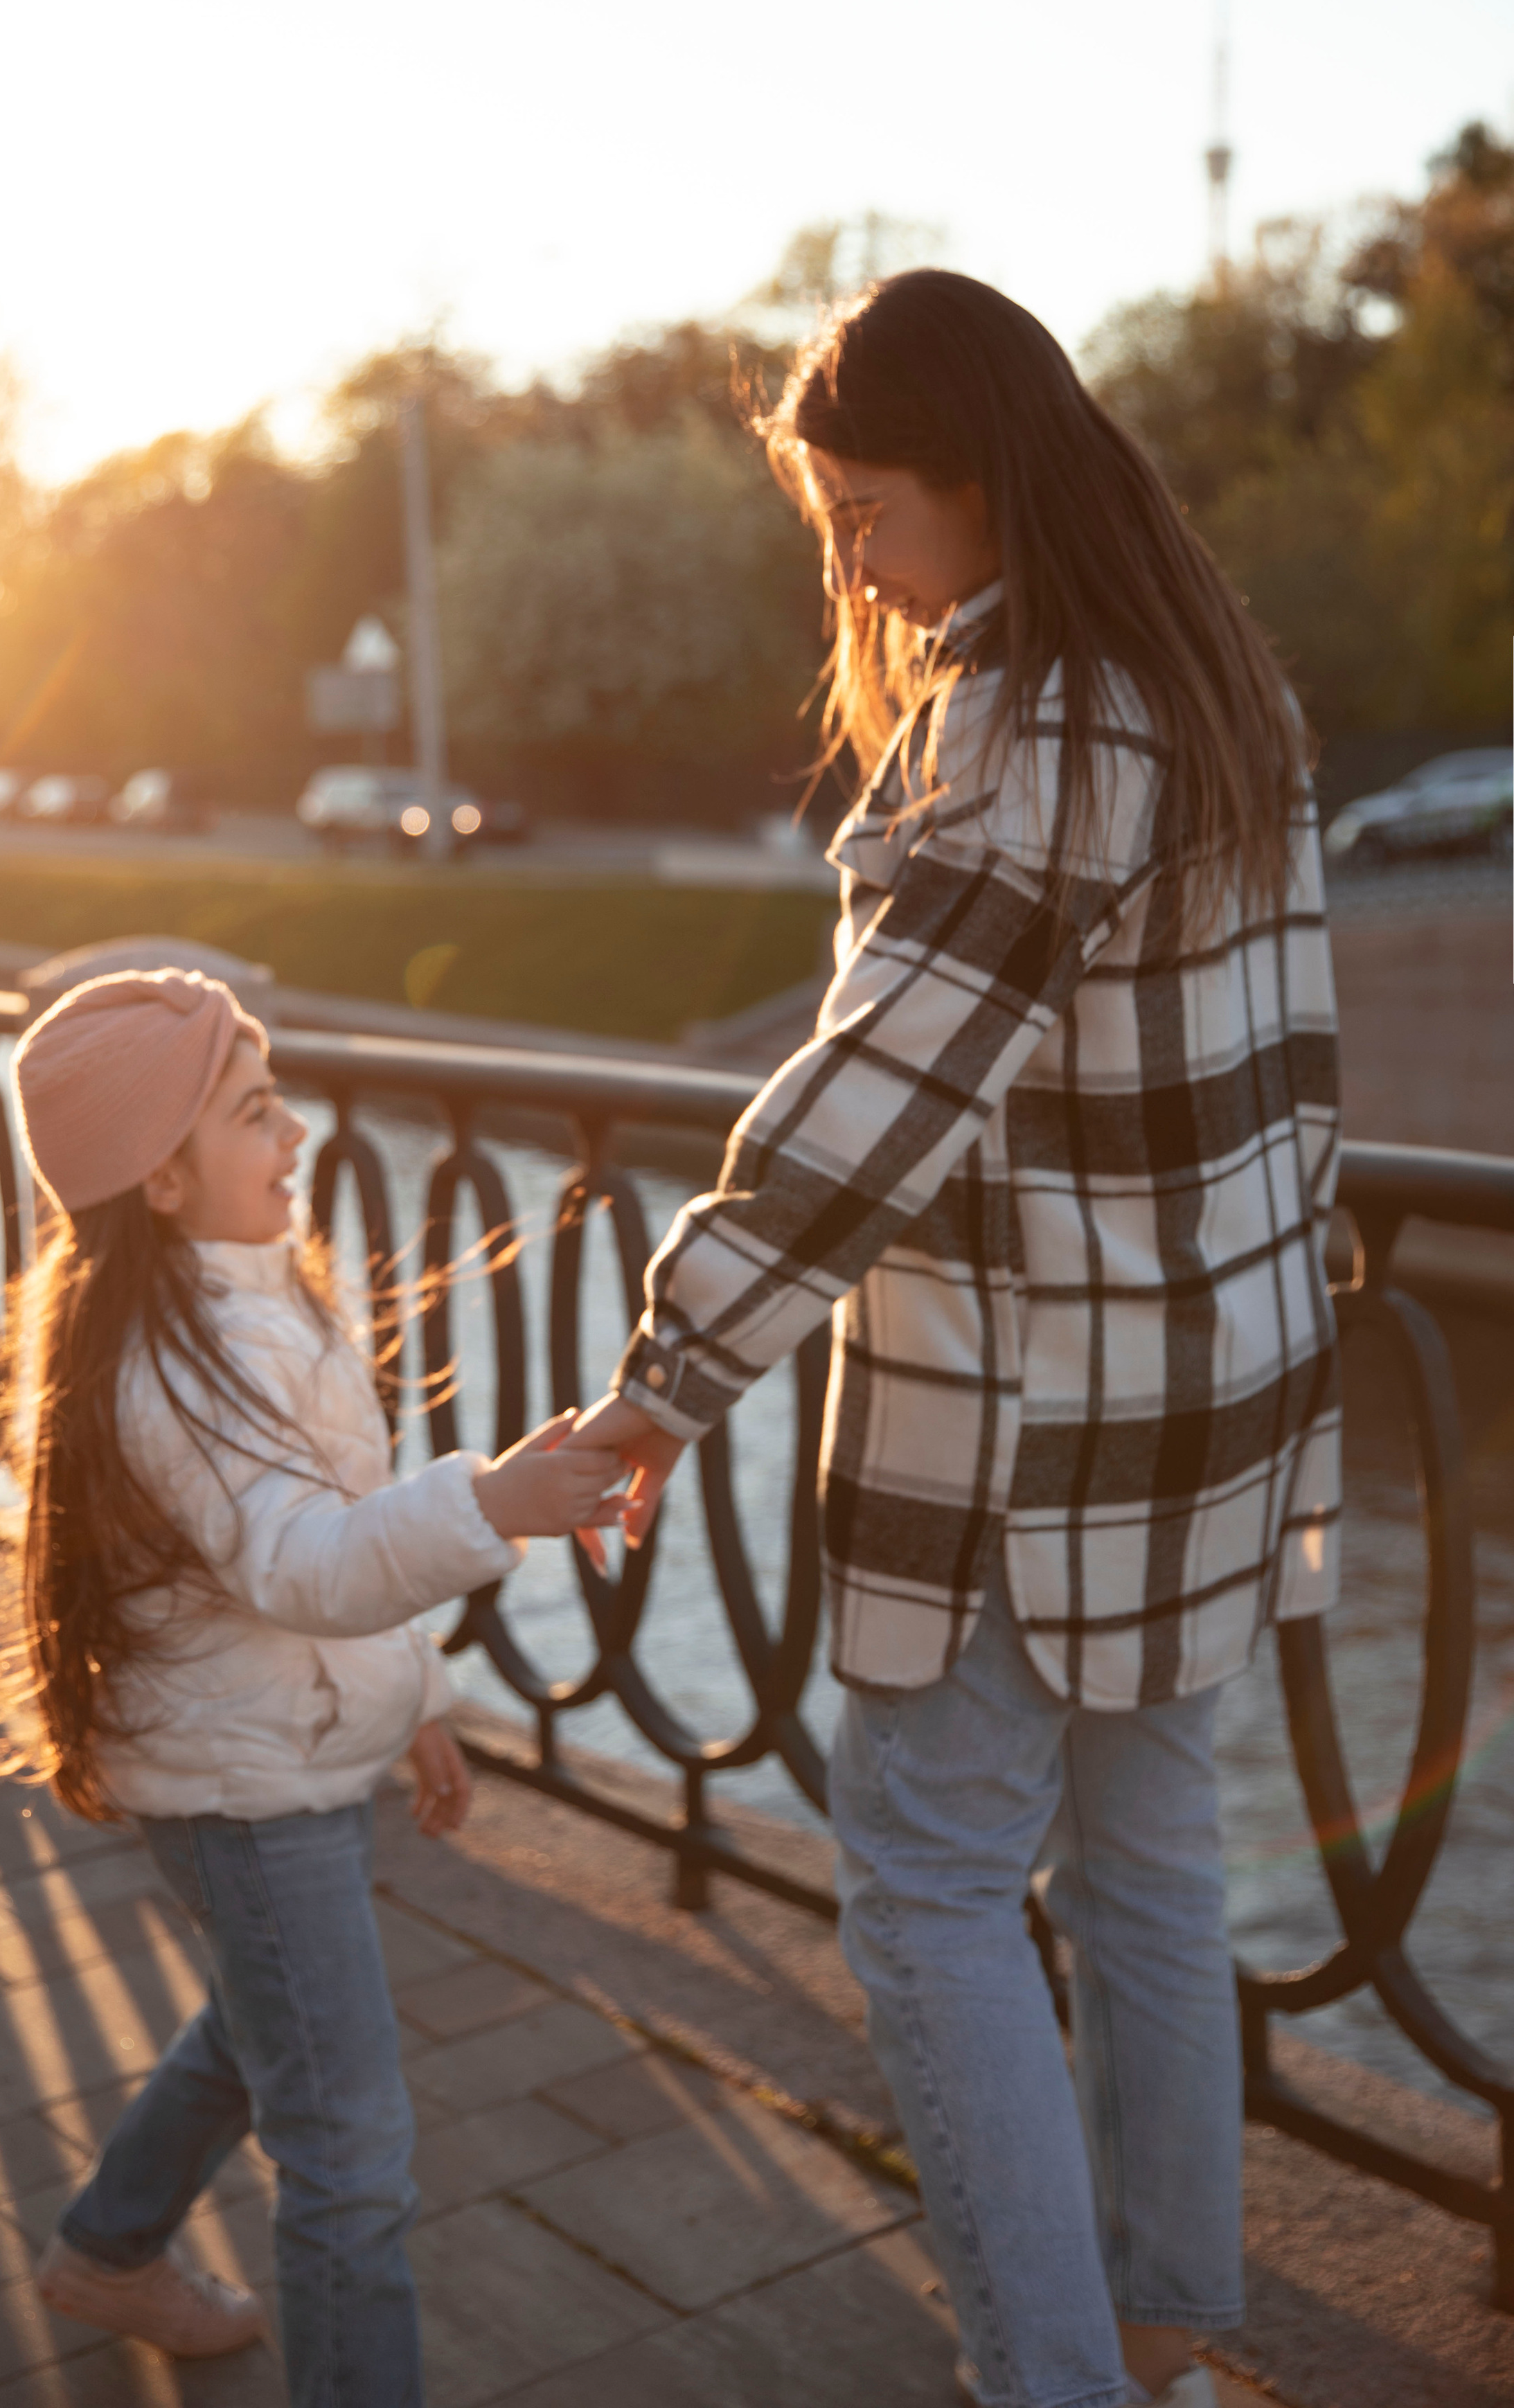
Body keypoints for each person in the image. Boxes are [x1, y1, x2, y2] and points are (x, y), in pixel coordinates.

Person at [573, 271, 1341, 2408]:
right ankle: (1171, 2322)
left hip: (1030, 1425)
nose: (856, 566)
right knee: (1152, 1868)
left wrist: (663, 1376)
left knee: (921, 1892)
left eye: (869, 516)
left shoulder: (1033, 726)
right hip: (1213, 1403)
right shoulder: (1213, 691)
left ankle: (1059, 2378)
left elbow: (875, 1107)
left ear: (991, 484)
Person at [1, 967, 620, 2408]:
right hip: (243, 1790)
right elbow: (305, 1566)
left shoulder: (244, 1300)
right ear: (160, 1177)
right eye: (258, 1113)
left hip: (271, 1756)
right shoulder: (175, 1365)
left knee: (259, 2019)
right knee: (348, 2154)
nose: (297, 1138)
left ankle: (108, 2251)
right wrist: (497, 1500)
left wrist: (414, 1702)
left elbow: (328, 1541)